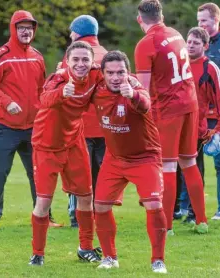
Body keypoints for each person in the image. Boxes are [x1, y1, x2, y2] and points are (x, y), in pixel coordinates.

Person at [135, 0, 208, 235]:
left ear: (140, 19)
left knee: (166, 165)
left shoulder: (146, 44)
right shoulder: (176, 33)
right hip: (191, 103)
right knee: (189, 162)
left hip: (169, 110)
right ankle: (202, 221)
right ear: (161, 16)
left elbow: (143, 92)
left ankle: (166, 227)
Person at [92, 50, 167, 273]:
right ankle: (110, 258)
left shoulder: (135, 88)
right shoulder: (97, 89)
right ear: (103, 74)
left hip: (145, 157)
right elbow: (79, 78)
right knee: (101, 207)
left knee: (154, 205)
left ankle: (158, 260)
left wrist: (132, 94)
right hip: (114, 158)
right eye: (111, 73)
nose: (116, 77)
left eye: (121, 72)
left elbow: (145, 104)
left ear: (128, 72)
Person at [29, 41, 103, 266]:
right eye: (76, 60)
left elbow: (118, 74)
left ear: (91, 62)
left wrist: (132, 85)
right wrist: (62, 92)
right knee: (44, 201)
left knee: (86, 196)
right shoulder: (59, 78)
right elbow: (44, 99)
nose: (80, 64)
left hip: (74, 141)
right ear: (67, 61)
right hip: (46, 145)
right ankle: (38, 254)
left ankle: (85, 248)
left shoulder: (96, 76)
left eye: (85, 60)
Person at [0, 10, 59, 228]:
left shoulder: (37, 56)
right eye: (21, 27)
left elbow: (41, 89)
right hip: (4, 126)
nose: (26, 31)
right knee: (0, 170)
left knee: (38, 172)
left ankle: (44, 216)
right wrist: (7, 102)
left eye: (29, 27)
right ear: (14, 29)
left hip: (32, 128)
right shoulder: (1, 55)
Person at [60, 15, 107, 227]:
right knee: (99, 171)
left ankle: (76, 214)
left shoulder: (74, 54)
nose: (70, 35)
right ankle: (96, 212)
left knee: (79, 173)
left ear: (78, 33)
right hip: (105, 126)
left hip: (80, 126)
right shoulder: (106, 54)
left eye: (72, 31)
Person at [178, 27, 220, 221]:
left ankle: (195, 213)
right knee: (175, 170)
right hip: (177, 125)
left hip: (199, 129)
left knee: (195, 170)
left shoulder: (209, 67)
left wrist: (216, 129)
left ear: (205, 45)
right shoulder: (179, 64)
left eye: (196, 42)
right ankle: (177, 210)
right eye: (189, 41)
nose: (191, 45)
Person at [197, 2, 220, 220]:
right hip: (205, 115)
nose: (200, 24)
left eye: (204, 20)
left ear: (216, 19)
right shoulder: (200, 45)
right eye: (198, 21)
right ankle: (193, 209)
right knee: (197, 161)